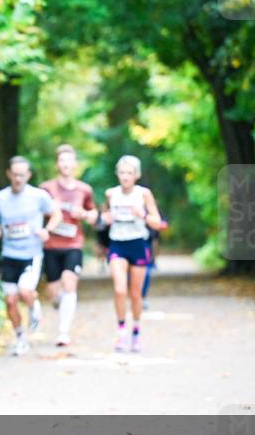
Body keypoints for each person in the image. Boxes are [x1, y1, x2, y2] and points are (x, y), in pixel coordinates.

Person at [0, 157, 63, 356]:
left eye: (22, 175)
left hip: (31, 254)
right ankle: (20, 338)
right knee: (10, 301)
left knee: (25, 291)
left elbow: (56, 214)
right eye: (15, 175)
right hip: (9, 255)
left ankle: (34, 306)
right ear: (9, 174)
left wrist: (48, 230)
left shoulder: (38, 196)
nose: (18, 179)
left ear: (28, 175)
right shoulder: (0, 198)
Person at [101, 155, 163, 352]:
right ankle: (121, 333)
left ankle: (135, 332)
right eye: (122, 173)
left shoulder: (144, 194)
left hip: (138, 244)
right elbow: (102, 218)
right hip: (117, 244)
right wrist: (105, 219)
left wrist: (142, 215)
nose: (125, 177)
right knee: (120, 290)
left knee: (136, 294)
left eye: (129, 173)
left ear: (136, 175)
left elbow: (157, 223)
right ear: (117, 174)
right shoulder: (111, 194)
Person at [39, 145, 97, 347]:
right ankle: (59, 300)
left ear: (75, 164)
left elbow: (93, 215)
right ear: (57, 164)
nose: (65, 164)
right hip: (51, 245)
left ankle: (63, 332)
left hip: (74, 243)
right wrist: (50, 212)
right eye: (61, 160)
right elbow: (36, 211)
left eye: (69, 160)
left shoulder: (84, 190)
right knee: (54, 292)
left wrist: (85, 215)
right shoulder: (47, 188)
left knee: (70, 282)